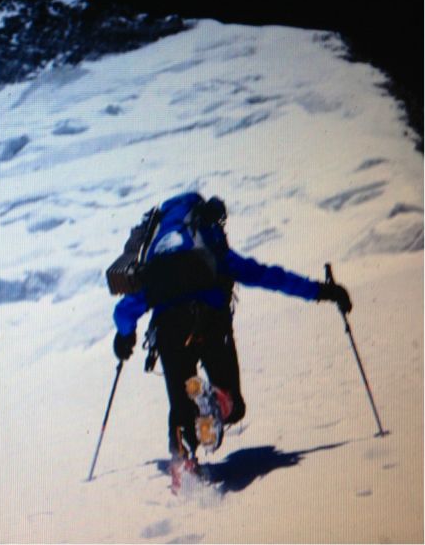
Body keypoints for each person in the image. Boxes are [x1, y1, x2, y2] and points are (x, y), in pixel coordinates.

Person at [110, 192, 351, 486]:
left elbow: (124, 311)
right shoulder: (214, 250)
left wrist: (124, 338)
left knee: (180, 406)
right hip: (211, 322)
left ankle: (184, 462)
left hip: (169, 330)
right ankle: (216, 400)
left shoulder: (156, 264)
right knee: (235, 406)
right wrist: (322, 291)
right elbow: (268, 276)